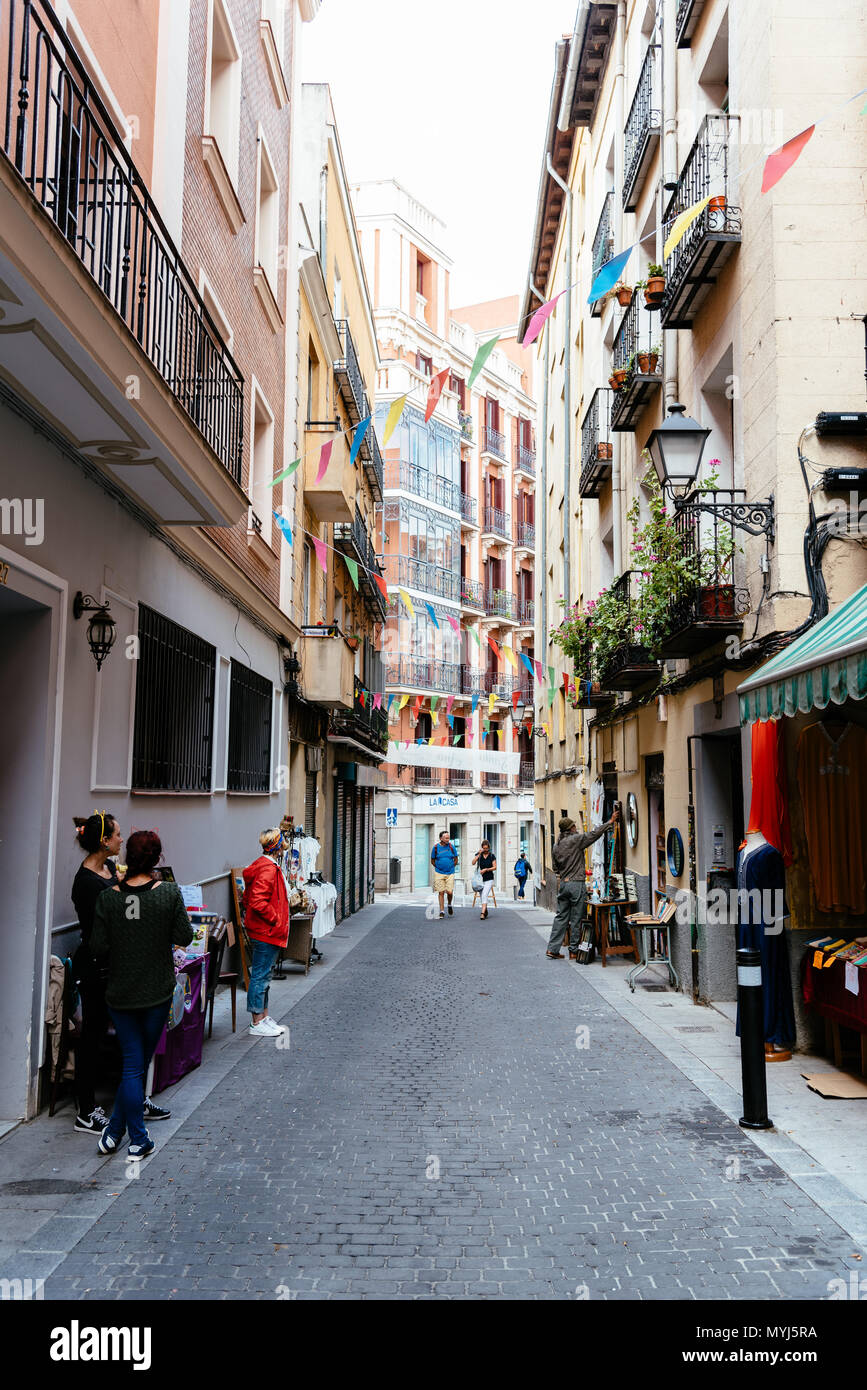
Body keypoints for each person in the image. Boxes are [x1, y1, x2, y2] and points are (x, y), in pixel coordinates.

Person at [90, 831, 193, 1160]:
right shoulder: (169, 894)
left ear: (127, 859)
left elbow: (98, 947)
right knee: (136, 1066)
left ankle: (113, 1132)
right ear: (157, 860)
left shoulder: (108, 898)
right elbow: (184, 936)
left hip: (120, 993)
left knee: (133, 1065)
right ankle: (138, 1138)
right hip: (155, 993)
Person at [70, 812, 122, 1133]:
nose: (121, 839)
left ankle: (131, 1095)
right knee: (92, 1036)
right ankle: (85, 1110)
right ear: (104, 841)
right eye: (116, 834)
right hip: (95, 967)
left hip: (112, 964)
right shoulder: (86, 882)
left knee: (119, 1031)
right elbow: (105, 922)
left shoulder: (109, 868)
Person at [547, 807, 620, 959]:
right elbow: (593, 835)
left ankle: (552, 949)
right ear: (571, 828)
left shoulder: (556, 845)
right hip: (576, 884)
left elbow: (555, 868)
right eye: (574, 826)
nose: (576, 827)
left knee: (561, 917)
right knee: (576, 918)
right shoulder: (575, 839)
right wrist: (610, 822)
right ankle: (573, 950)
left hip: (564, 884)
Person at [242, 829, 290, 1038]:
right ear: (277, 847)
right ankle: (256, 1021)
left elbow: (247, 898)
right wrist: (276, 919)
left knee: (264, 976)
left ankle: (264, 1017)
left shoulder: (261, 866)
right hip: (266, 931)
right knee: (261, 976)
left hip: (263, 930)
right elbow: (257, 901)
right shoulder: (269, 870)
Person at [430, 830, 459, 918]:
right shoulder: (435, 848)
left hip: (450, 873)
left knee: (449, 892)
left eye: (448, 838)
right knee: (441, 892)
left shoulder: (451, 847)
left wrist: (451, 867)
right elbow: (432, 861)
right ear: (441, 838)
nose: (448, 839)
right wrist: (439, 867)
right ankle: (442, 911)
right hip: (439, 873)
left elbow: (456, 859)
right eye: (446, 838)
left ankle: (449, 904)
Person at [472, 840, 497, 919]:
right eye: (484, 848)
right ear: (482, 848)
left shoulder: (492, 856)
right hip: (480, 880)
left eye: (487, 849)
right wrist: (479, 854)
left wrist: (486, 869)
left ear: (489, 848)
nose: (485, 850)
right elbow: (473, 862)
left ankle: (482, 913)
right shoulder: (479, 855)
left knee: (484, 894)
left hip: (489, 878)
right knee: (482, 896)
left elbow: (495, 867)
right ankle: (485, 910)